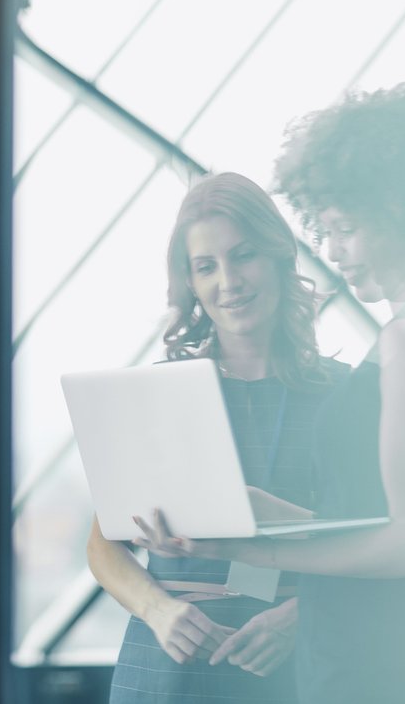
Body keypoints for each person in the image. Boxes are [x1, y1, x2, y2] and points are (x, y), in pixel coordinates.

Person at [133, 84, 405, 703]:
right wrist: (281, 520)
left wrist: (256, 547)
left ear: (398, 209)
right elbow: (391, 518)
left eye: (344, 229)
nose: (333, 253)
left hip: (367, 655)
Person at [87, 172, 346, 703]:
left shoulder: (343, 396)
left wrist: (304, 614)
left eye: (244, 255)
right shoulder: (159, 392)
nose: (229, 281)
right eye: (206, 266)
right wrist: (159, 610)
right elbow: (101, 546)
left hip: (294, 662)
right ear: (191, 283)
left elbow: (377, 542)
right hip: (167, 667)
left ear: (278, 257)